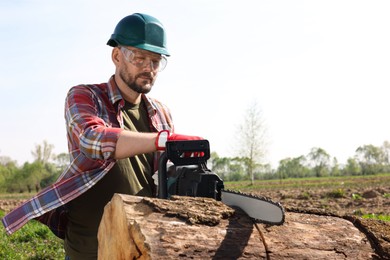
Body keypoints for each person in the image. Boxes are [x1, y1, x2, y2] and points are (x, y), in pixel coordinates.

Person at [2, 13, 202, 259]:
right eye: (139, 58)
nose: (148, 68)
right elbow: (91, 139)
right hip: (89, 247)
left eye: (155, 61)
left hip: (139, 246)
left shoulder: (161, 112)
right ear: (117, 56)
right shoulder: (85, 96)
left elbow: (163, 175)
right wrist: (162, 140)